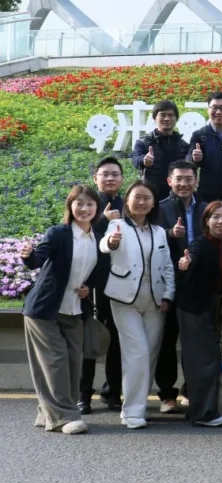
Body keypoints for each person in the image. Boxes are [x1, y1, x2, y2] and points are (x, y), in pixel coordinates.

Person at [21, 185, 109, 434]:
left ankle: (47, 413)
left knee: (72, 364)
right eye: (78, 203)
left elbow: (98, 272)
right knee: (55, 362)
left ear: (97, 208)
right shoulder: (59, 233)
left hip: (74, 309)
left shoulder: (98, 238)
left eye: (89, 204)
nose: (84, 208)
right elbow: (37, 260)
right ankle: (63, 418)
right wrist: (28, 255)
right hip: (44, 309)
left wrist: (87, 287)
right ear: (70, 206)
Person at [99, 181, 175, 430]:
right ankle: (132, 412)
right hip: (125, 300)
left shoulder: (159, 231)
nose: (141, 202)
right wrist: (112, 242)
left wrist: (168, 295)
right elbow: (105, 245)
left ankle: (137, 406)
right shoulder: (117, 225)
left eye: (147, 198)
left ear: (153, 203)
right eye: (137, 197)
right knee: (138, 353)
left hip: (155, 301)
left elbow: (167, 266)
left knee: (149, 355)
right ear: (128, 201)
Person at [174, 201, 222, 428]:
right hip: (193, 307)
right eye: (215, 217)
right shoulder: (201, 243)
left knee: (208, 358)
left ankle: (200, 409)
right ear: (206, 221)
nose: (221, 221)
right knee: (204, 360)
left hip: (211, 306)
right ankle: (203, 414)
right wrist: (186, 262)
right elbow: (192, 257)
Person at [156, 159, 206, 414]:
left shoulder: (206, 208)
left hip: (197, 284)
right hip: (167, 283)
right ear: (169, 181)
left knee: (194, 341)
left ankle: (189, 389)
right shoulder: (159, 208)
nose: (184, 184)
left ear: (196, 181)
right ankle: (167, 394)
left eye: (189, 179)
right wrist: (169, 233)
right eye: (179, 179)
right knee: (166, 340)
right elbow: (150, 239)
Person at [79, 157, 126, 414]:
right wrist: (102, 221)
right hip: (88, 282)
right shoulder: (86, 203)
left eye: (115, 174)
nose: (110, 178)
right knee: (88, 337)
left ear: (122, 179)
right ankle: (83, 394)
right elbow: (77, 233)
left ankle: (112, 392)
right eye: (105, 174)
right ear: (95, 178)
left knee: (116, 338)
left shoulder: (128, 204)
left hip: (118, 281)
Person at [132, 100, 189, 199]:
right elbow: (135, 160)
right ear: (154, 118)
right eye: (162, 115)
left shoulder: (183, 145)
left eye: (171, 115)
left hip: (176, 195)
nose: (167, 118)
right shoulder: (143, 142)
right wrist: (143, 160)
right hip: (151, 195)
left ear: (176, 119)